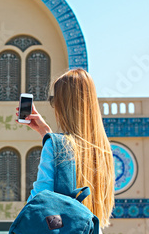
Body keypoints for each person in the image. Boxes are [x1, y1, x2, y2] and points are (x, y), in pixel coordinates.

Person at [16, 68, 115, 230]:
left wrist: (52, 141)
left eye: (54, 101)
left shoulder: (56, 146)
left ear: (63, 104)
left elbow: (38, 202)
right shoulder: (103, 152)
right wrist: (46, 134)